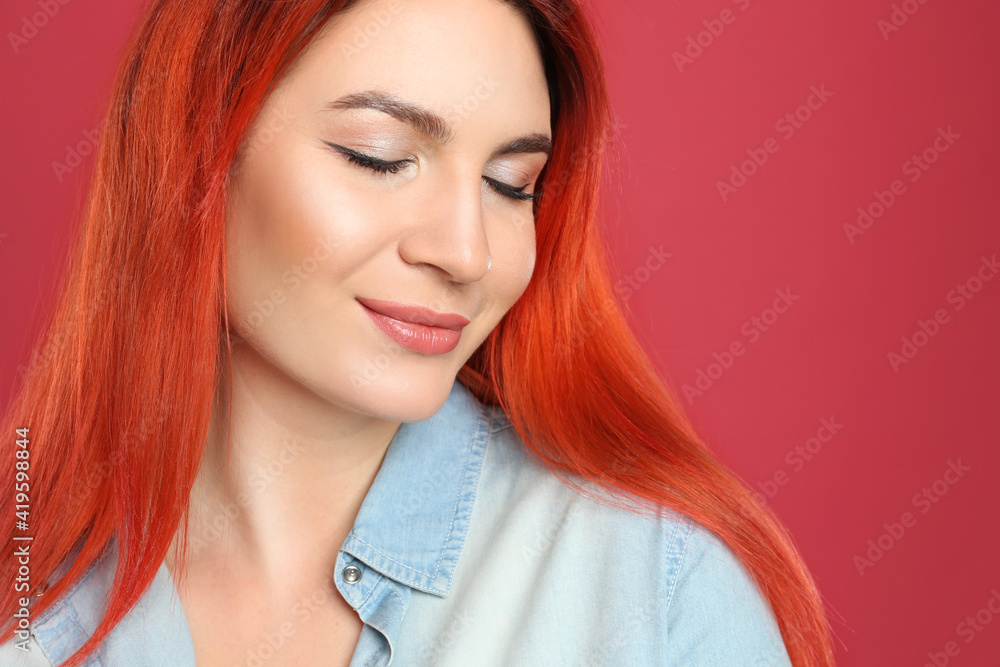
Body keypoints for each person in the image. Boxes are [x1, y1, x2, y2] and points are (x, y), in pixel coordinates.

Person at [0, 0, 837, 664]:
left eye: (512, 185)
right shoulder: (29, 580)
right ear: (194, 153)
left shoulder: (657, 593)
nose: (467, 252)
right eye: (379, 155)